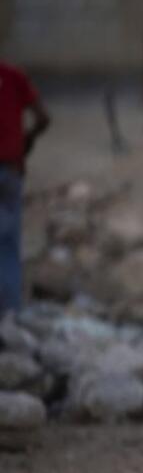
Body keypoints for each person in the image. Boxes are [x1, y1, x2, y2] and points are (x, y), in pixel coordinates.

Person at [0, 61, 50, 317]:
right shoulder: (13, 76)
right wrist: (26, 139)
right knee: (8, 244)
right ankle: (10, 312)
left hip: (11, 167)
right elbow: (43, 117)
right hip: (10, 168)